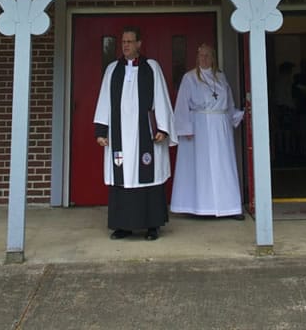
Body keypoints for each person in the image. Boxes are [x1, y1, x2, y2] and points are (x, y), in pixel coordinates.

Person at [94, 25, 176, 240]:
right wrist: (101, 131)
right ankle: (123, 226)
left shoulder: (151, 67)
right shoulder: (112, 69)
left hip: (145, 134)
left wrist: (162, 128)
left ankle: (152, 226)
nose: (125, 45)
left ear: (139, 44)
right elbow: (104, 100)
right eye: (123, 42)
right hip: (119, 135)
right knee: (122, 178)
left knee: (149, 175)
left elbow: (161, 97)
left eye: (130, 41)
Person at [171, 43, 246, 218]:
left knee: (223, 165)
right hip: (200, 127)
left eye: (207, 56)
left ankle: (229, 207)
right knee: (200, 167)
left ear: (213, 58)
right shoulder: (189, 78)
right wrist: (185, 127)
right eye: (201, 56)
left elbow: (229, 103)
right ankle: (198, 207)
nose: (203, 59)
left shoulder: (221, 77)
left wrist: (238, 115)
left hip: (220, 127)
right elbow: (182, 104)